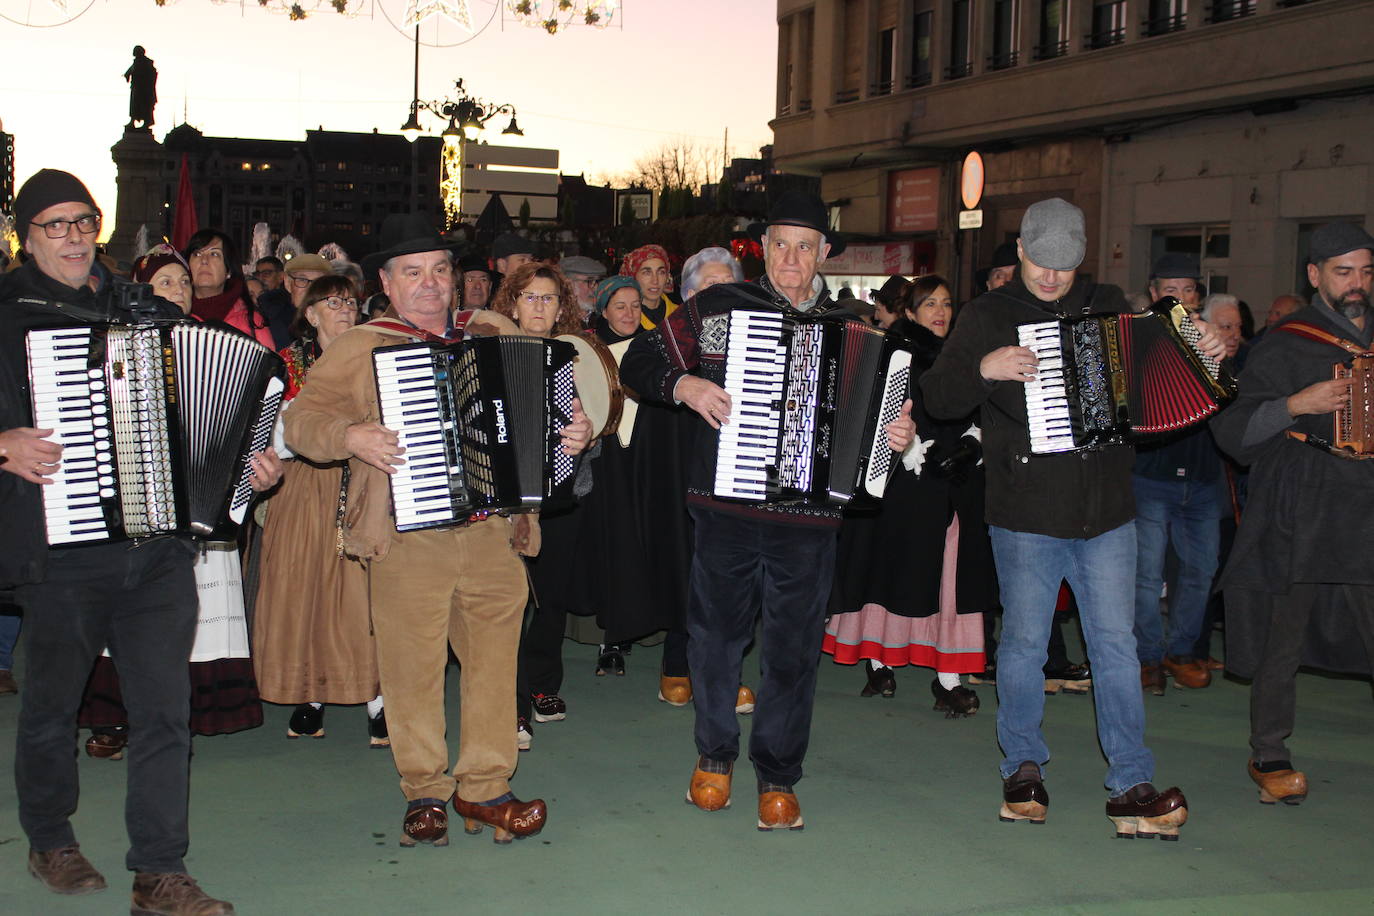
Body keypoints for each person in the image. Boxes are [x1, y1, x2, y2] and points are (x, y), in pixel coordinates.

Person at [1, 168, 280, 915]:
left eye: (81, 222)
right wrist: (1, 442)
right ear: (26, 236)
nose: (70, 237)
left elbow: (201, 404)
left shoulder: (139, 309)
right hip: (60, 553)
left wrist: (242, 465)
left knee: (165, 712)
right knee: (53, 708)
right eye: (52, 225)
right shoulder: (6, 312)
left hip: (157, 550)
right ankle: (50, 836)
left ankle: (159, 871)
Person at [282, 213, 591, 847]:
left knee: (492, 664)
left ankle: (485, 790)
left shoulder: (494, 331)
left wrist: (575, 433)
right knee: (411, 668)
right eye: (413, 274)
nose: (430, 285)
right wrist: (349, 435)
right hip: (405, 535)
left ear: (454, 280)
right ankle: (424, 792)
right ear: (387, 285)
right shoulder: (360, 344)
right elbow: (298, 421)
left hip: (492, 533)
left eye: (440, 271)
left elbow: (552, 409)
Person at [921, 197, 1221, 839]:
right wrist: (984, 368)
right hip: (1027, 510)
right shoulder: (986, 315)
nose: (1053, 277)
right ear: (1022, 250)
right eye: (1041, 263)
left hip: (1108, 509)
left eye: (1066, 264)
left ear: (1081, 257)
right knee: (1026, 644)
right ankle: (1023, 767)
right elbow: (937, 399)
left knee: (1116, 645)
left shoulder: (1110, 305)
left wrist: (1203, 356)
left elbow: (1153, 395)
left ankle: (1132, 783)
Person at [621, 190, 915, 831]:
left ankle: (779, 774)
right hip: (725, 507)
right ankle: (714, 756)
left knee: (792, 651)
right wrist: (685, 384)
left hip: (809, 521)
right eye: (780, 243)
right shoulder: (718, 305)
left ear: (824, 254)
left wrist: (893, 436)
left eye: (804, 246)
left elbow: (883, 424)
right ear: (763, 248)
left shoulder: (854, 326)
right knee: (715, 640)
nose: (790, 256)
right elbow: (640, 364)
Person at [79, 245, 265, 759]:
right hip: (134, 500)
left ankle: (187, 712)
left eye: (184, 282)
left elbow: (248, 421)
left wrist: (259, 460)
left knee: (191, 609)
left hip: (198, 511)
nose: (179, 290)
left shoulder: (225, 343)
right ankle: (116, 715)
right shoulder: (111, 342)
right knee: (126, 610)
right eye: (165, 282)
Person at [1211, 221, 1374, 807]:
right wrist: (1295, 404)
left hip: (1366, 503)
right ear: (1314, 276)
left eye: (1365, 270)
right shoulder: (1286, 342)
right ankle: (1270, 751)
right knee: (1283, 634)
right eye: (1342, 271)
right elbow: (1232, 431)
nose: (1356, 284)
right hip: (1302, 499)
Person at [827, 274, 994, 716]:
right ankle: (880, 660)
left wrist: (974, 443)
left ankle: (948, 677)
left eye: (945, 302)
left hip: (957, 484)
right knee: (895, 574)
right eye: (929, 304)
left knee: (951, 580)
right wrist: (915, 448)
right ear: (913, 311)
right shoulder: (896, 350)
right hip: (906, 485)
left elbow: (991, 409)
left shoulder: (965, 352)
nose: (939, 311)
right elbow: (876, 409)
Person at [254, 275, 386, 745]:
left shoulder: (376, 356)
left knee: (364, 594)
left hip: (366, 480)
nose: (345, 309)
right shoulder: (286, 365)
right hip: (303, 485)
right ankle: (310, 696)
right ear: (310, 314)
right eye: (333, 302)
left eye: (350, 302)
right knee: (304, 591)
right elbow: (271, 433)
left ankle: (377, 698)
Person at [488, 262, 588, 747]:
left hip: (559, 494)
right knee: (510, 604)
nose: (540, 306)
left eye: (549, 298)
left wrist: (584, 434)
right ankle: (513, 706)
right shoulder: (486, 350)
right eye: (530, 296)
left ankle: (544, 683)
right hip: (503, 500)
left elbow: (593, 422)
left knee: (551, 599)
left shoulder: (571, 356)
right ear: (511, 302)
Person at [1132, 257, 1232, 696]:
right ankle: (1147, 657)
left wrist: (1222, 359)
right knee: (1147, 576)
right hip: (1151, 475)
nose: (1180, 297)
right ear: (1155, 294)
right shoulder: (1135, 339)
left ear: (1198, 297)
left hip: (1205, 474)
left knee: (1201, 570)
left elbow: (1233, 402)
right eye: (1170, 289)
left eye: (1188, 290)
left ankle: (1182, 651)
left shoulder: (1216, 342)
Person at [183, 228, 274, 348]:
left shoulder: (252, 320)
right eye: (197, 254)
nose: (204, 260)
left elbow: (270, 364)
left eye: (214, 254)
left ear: (229, 271)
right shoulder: (177, 317)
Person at [620, 244, 677, 328]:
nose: (655, 281)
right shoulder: (622, 319)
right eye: (647, 273)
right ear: (633, 277)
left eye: (661, 272)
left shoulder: (680, 314)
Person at [559, 255, 608, 324]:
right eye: (590, 281)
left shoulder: (605, 317)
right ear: (569, 285)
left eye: (598, 281)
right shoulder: (556, 319)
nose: (596, 288)